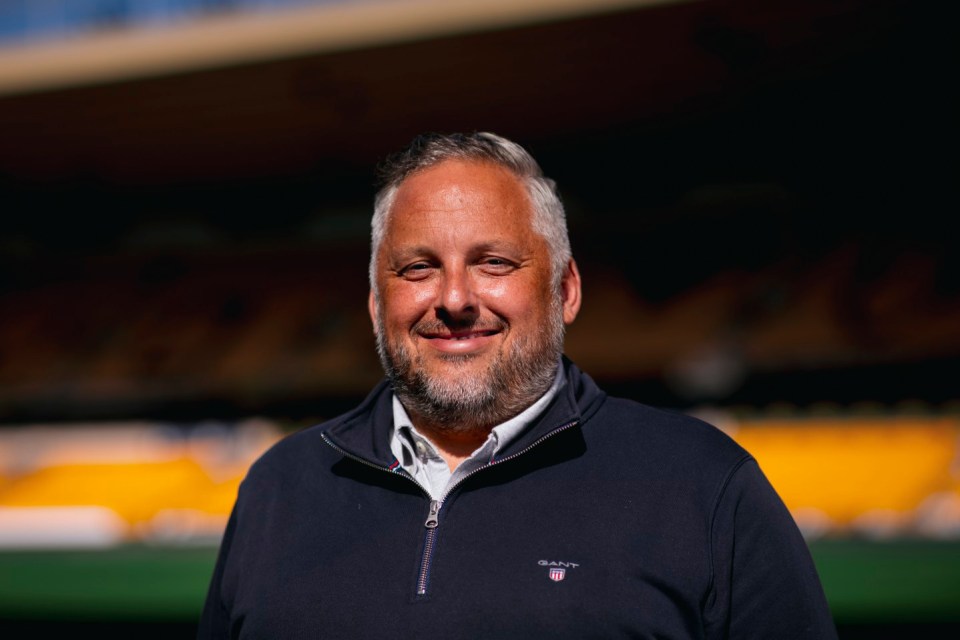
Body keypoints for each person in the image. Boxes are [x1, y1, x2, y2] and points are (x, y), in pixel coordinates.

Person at [198, 132, 837, 639]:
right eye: (418, 268)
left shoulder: (705, 487)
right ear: (373, 304)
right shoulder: (278, 486)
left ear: (565, 291)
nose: (453, 299)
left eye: (494, 263)